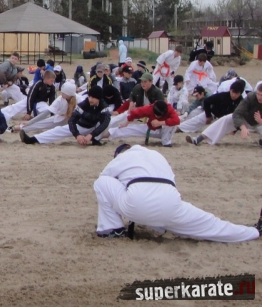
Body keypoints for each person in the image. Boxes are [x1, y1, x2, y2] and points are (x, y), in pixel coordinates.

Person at [94, 143, 260, 241]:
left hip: (137, 202)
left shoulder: (122, 157)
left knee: (101, 182)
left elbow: (105, 177)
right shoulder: (157, 155)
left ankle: (113, 229)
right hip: (170, 202)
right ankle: (253, 232)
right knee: (212, 225)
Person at [20, 85, 110, 146]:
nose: (90, 99)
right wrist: (77, 135)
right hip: (81, 126)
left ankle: (95, 140)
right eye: (89, 96)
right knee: (58, 130)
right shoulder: (84, 104)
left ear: (99, 98)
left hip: (94, 128)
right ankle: (33, 139)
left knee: (108, 122)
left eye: (93, 97)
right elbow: (72, 120)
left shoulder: (104, 106)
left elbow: (105, 122)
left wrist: (91, 135)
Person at [186, 81, 262, 146]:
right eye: (258, 94)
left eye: (261, 95)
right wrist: (242, 126)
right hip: (245, 119)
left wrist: (260, 121)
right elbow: (237, 113)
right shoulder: (251, 97)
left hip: (259, 124)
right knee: (225, 119)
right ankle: (199, 139)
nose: (259, 97)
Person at [11, 80, 77, 134]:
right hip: (60, 119)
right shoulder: (60, 99)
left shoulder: (79, 100)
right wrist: (29, 122)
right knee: (40, 124)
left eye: (63, 93)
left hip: (74, 122)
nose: (61, 94)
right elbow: (46, 113)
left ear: (69, 94)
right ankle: (19, 127)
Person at [178, 80, 244, 135]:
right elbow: (207, 101)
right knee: (192, 122)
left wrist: (235, 130)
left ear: (240, 93)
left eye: (236, 93)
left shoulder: (242, 102)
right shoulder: (223, 96)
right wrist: (208, 115)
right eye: (232, 92)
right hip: (213, 115)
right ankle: (178, 128)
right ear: (230, 90)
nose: (234, 95)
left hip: (225, 121)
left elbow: (241, 116)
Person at [108, 100, 179, 147]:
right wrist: (126, 123)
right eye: (155, 115)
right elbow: (135, 113)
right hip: (151, 128)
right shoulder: (149, 108)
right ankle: (107, 134)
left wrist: (160, 122)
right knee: (128, 129)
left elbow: (177, 120)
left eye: (159, 116)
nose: (157, 117)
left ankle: (166, 142)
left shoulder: (170, 109)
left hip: (165, 130)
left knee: (172, 123)